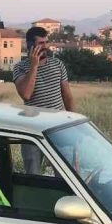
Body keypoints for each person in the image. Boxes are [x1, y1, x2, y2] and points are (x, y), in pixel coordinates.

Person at [13, 26, 75, 174]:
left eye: (46, 42)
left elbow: (67, 95)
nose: (45, 46)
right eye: (41, 43)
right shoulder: (19, 68)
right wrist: (34, 66)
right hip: (32, 129)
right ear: (30, 45)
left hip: (58, 127)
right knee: (33, 173)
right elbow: (26, 94)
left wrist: (72, 124)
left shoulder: (58, 64)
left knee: (65, 174)